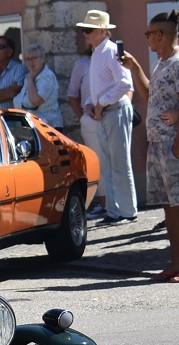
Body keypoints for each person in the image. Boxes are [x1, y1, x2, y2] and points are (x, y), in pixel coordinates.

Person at [122, 10, 179, 283]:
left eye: (148, 34)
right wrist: (135, 68)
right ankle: (176, 261)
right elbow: (149, 96)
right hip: (159, 144)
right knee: (170, 204)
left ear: (160, 35)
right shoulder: (162, 62)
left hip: (175, 144)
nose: (146, 38)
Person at [78, 9, 137, 225]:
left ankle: (127, 211)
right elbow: (101, 86)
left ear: (102, 31)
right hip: (106, 112)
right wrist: (91, 105)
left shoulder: (110, 51)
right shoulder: (98, 52)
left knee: (120, 162)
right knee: (108, 163)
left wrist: (100, 103)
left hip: (115, 110)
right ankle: (115, 211)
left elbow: (125, 83)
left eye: (89, 30)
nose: (85, 34)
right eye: (84, 30)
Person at [67, 33, 107, 219]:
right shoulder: (82, 64)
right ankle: (102, 202)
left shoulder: (111, 56)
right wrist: (82, 116)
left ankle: (115, 203)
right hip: (90, 119)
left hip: (110, 115)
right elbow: (73, 94)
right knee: (97, 160)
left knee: (113, 161)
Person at [15, 44, 63, 128]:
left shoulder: (47, 77)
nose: (31, 62)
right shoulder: (29, 76)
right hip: (32, 124)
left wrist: (30, 80)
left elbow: (36, 101)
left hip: (48, 126)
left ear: (43, 59)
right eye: (28, 59)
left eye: (34, 58)